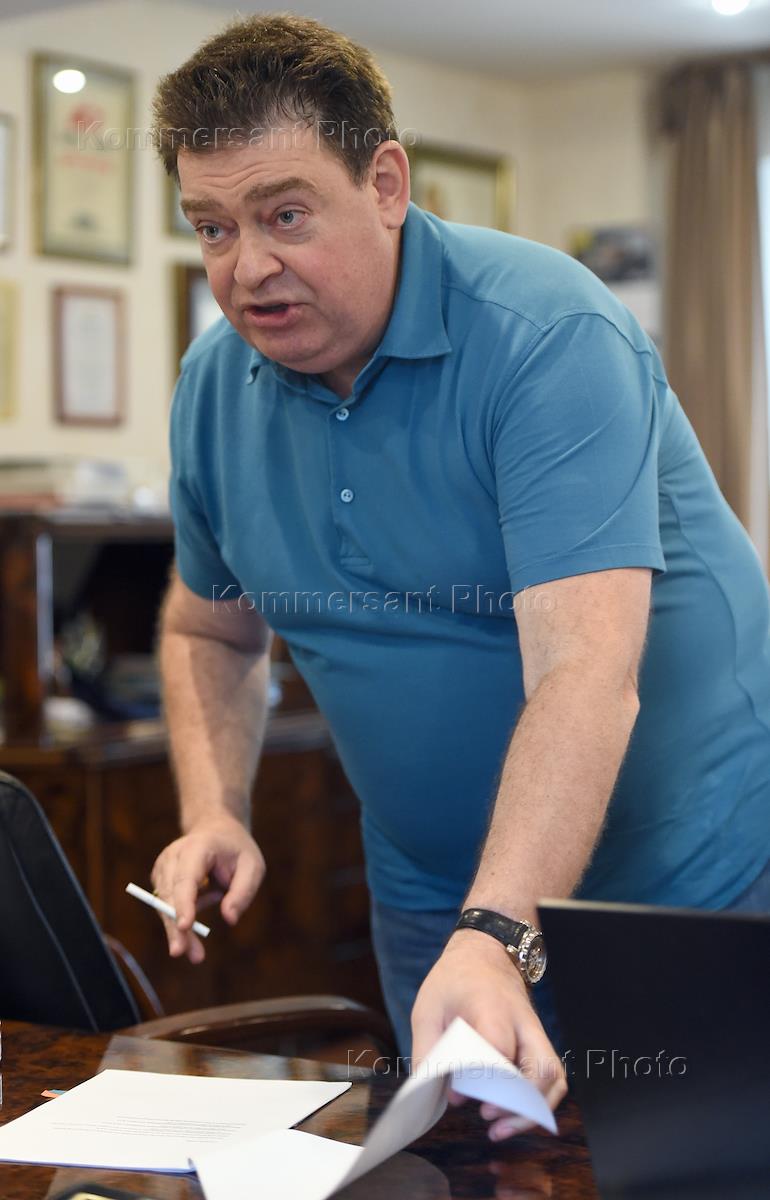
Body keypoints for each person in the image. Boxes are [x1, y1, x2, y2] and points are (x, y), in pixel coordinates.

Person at [149, 14, 770, 1140]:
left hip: (681, 877)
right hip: (435, 888)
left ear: (385, 183)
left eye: (285, 214)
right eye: (212, 227)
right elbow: (211, 630)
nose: (246, 267)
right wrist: (215, 810)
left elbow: (584, 672)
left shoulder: (546, 335)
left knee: (684, 1168)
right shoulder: (211, 387)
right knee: (469, 1174)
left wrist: (499, 932)